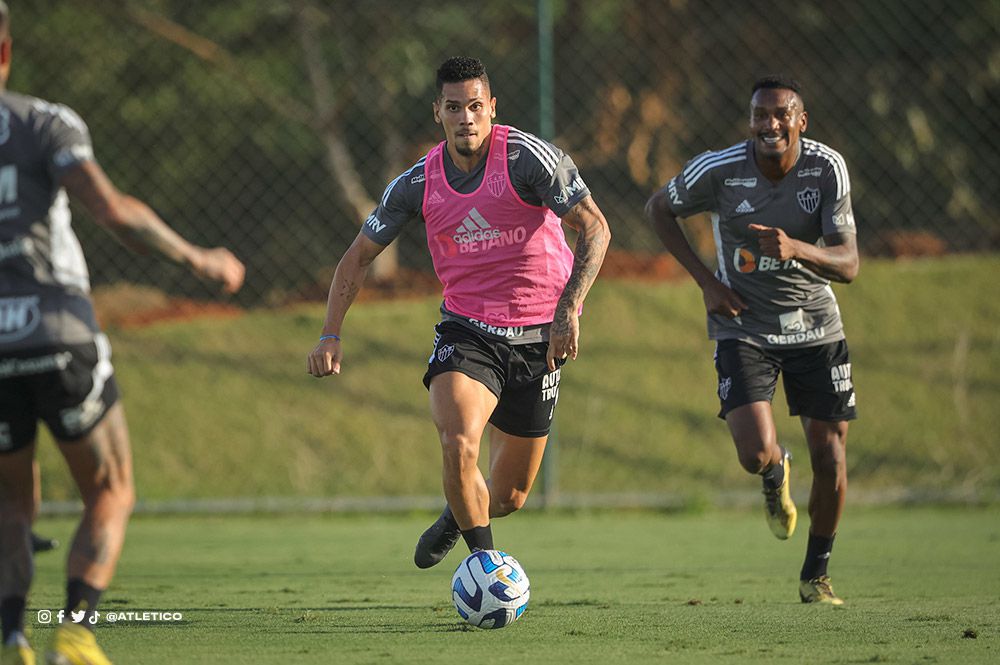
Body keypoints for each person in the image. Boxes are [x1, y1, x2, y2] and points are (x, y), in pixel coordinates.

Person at [0, 3, 246, 663]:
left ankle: (13, 639)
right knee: (111, 487)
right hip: (58, 330)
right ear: (5, 53)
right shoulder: (46, 121)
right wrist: (199, 258)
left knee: (11, 501)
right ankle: (75, 632)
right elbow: (109, 209)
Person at [307, 56, 609, 569]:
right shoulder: (417, 183)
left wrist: (567, 311)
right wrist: (330, 333)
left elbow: (595, 228)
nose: (465, 117)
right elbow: (357, 258)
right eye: (454, 108)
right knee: (458, 440)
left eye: (475, 106)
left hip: (540, 334)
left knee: (509, 495)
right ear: (437, 114)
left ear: (492, 108)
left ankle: (455, 516)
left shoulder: (527, 159)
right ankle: (484, 568)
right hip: (467, 330)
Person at [645, 76, 858, 605]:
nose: (770, 125)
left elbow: (849, 263)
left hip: (815, 327)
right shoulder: (718, 170)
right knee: (753, 451)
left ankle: (816, 574)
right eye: (760, 115)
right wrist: (707, 282)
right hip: (742, 323)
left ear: (800, 122)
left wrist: (798, 249)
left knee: (830, 456)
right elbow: (658, 209)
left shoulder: (825, 168)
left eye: (781, 114)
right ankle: (774, 472)